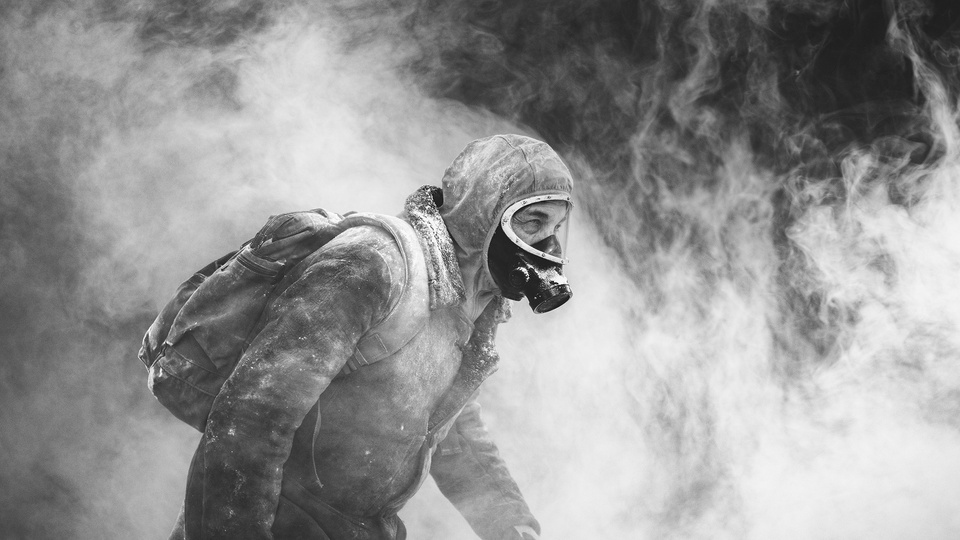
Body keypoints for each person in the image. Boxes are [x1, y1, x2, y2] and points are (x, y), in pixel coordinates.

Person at [170, 134, 575, 540]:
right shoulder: (372, 263)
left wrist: (512, 526)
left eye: (557, 226)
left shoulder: (473, 300)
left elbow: (450, 428)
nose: (550, 243)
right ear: (482, 213)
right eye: (533, 222)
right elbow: (251, 417)